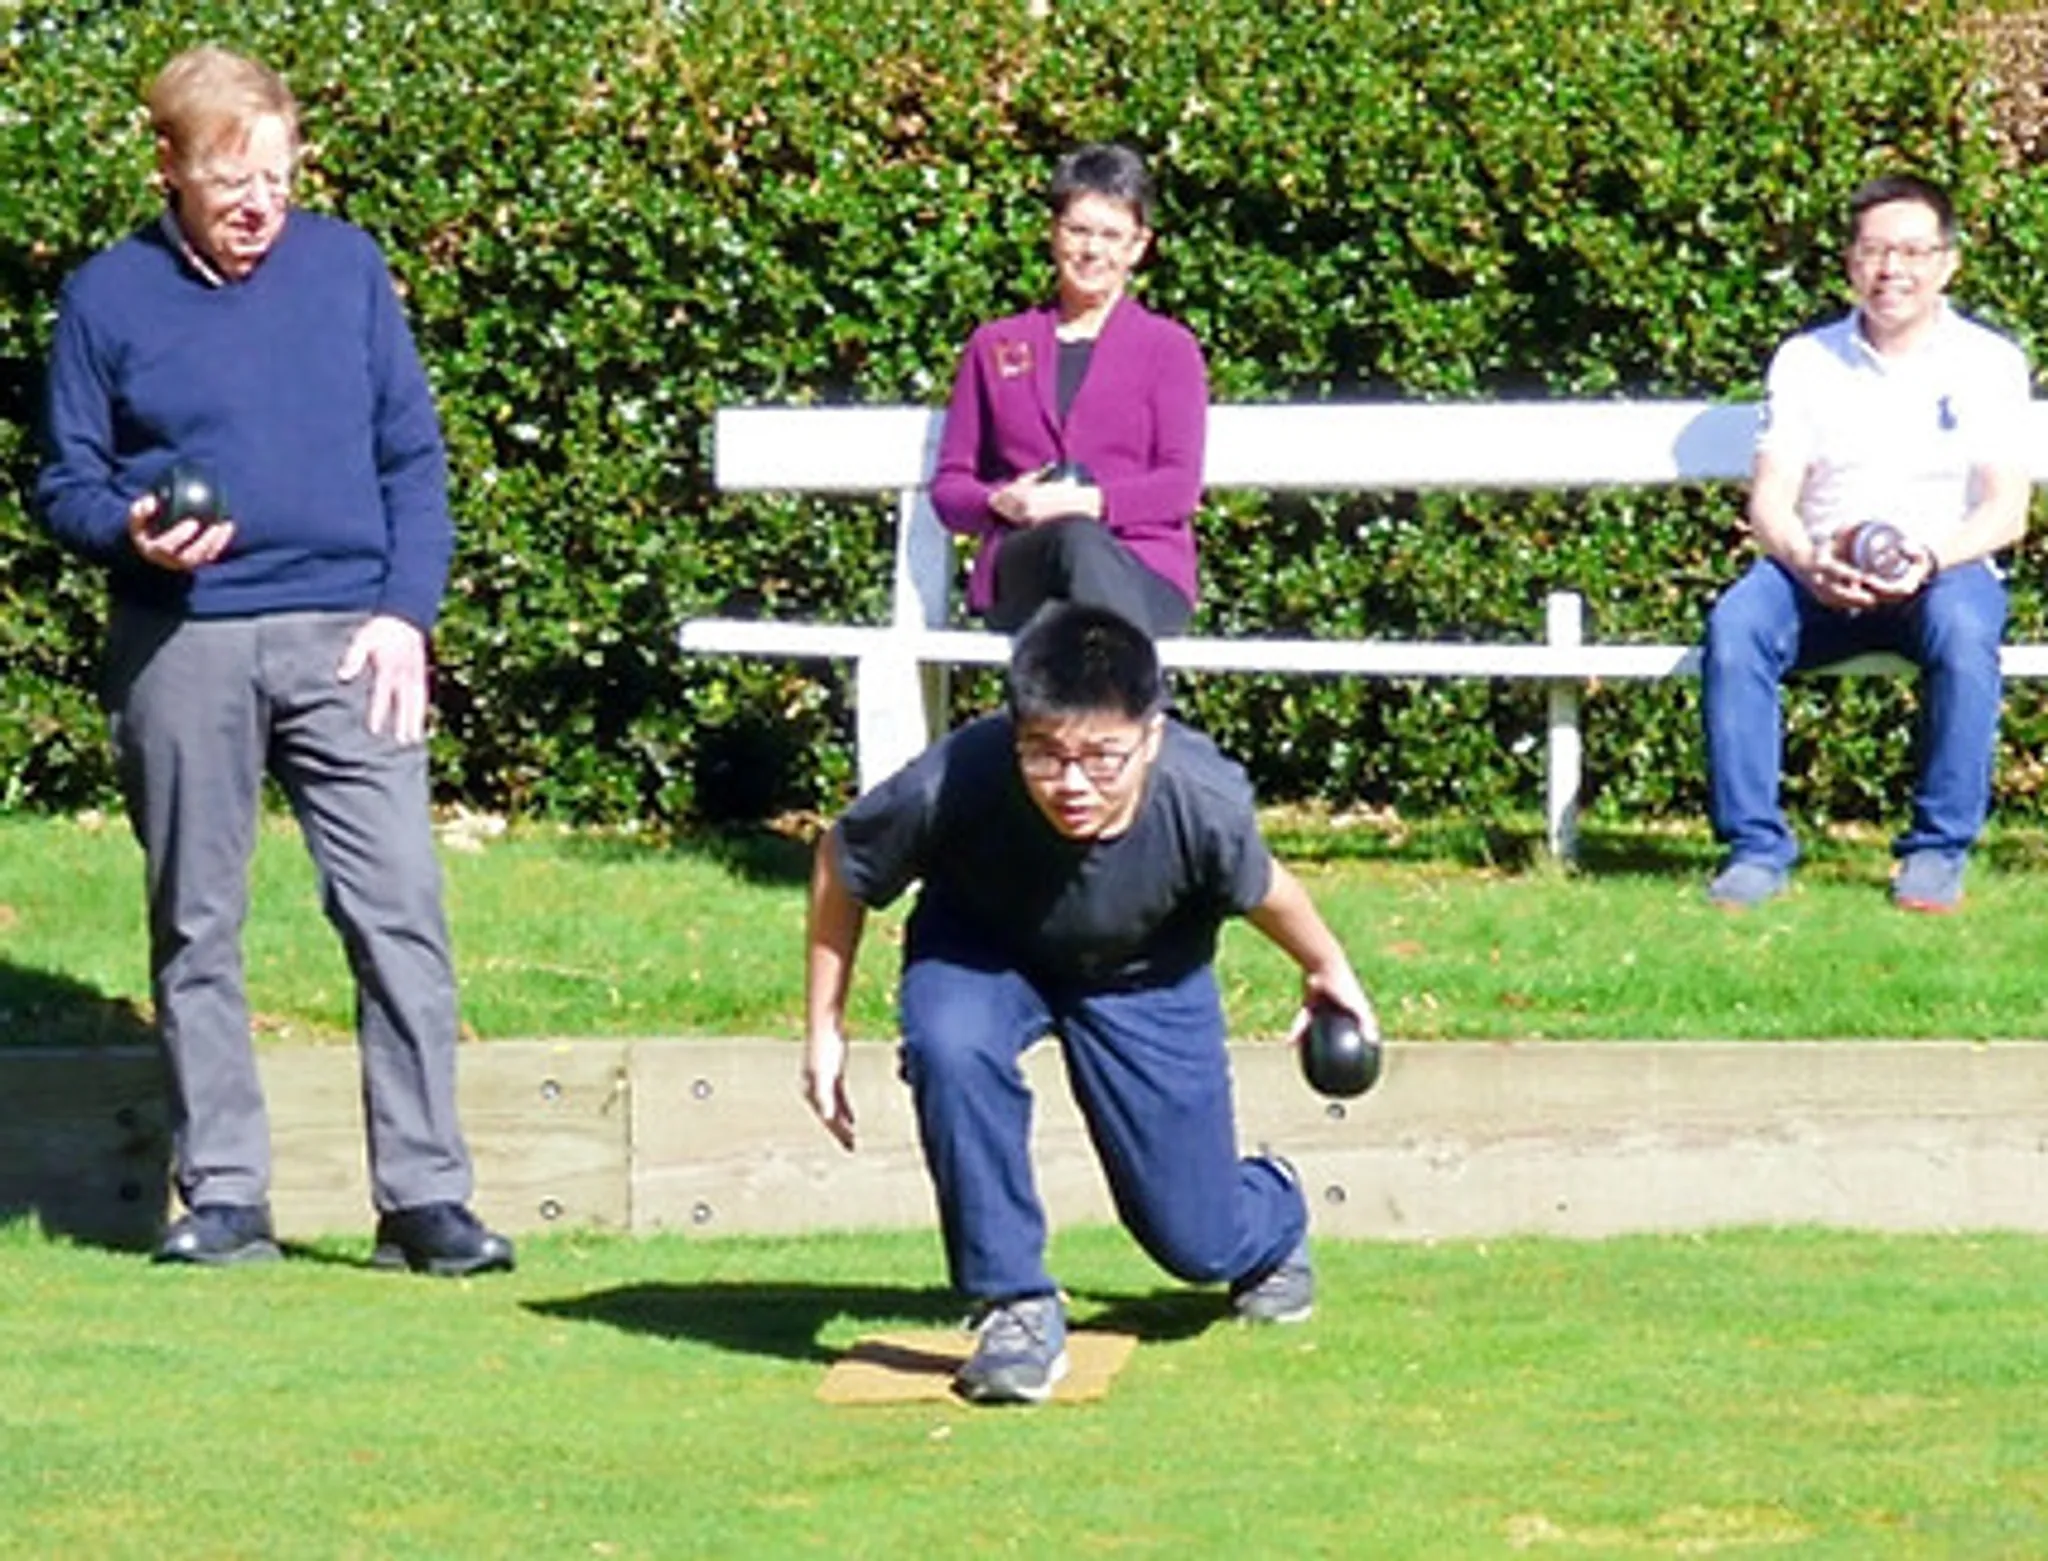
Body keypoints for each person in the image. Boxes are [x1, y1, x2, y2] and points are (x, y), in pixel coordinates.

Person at [33, 46, 512, 1274]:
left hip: (350, 635)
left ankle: (424, 1198)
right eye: (231, 181)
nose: (259, 205)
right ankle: (227, 1196)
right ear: (169, 169)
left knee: (398, 910)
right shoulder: (105, 297)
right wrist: (130, 533)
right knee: (196, 921)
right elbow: (65, 481)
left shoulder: (346, 270)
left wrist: (406, 613)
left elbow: (413, 456)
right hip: (181, 638)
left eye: (280, 180)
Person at [801, 603, 1378, 1404]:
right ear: (1017, 732)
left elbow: (1265, 889)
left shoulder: (1200, 796)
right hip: (983, 948)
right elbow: (844, 858)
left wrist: (1328, 967)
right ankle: (1014, 1304)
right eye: (1045, 755)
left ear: (1150, 733)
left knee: (1196, 1241)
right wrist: (823, 1027)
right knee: (948, 1044)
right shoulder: (960, 774)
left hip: (1147, 973)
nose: (1072, 783)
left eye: (1102, 757)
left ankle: (1269, 1211)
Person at [1701, 173, 2033, 912]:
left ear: (1947, 262)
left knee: (1966, 626)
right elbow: (1771, 498)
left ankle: (1937, 851)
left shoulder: (1989, 363)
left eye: (1913, 251)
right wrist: (1806, 558)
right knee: (1738, 625)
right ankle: (1754, 850)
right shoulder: (1805, 361)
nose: (1893, 270)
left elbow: (2006, 509)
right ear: (1851, 261)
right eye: (1876, 251)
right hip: (1819, 567)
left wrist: (1929, 559)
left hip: (1943, 566)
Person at [929, 143, 1207, 639]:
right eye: (1078, 230)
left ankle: (1122, 706)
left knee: (1082, 546)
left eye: (1111, 235)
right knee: (1073, 543)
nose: (1092, 251)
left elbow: (1177, 488)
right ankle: (1142, 709)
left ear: (1138, 246)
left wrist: (1087, 504)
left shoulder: (1170, 348)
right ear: (1054, 232)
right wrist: (1002, 503)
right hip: (1027, 570)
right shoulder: (995, 344)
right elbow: (951, 490)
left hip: (1144, 570)